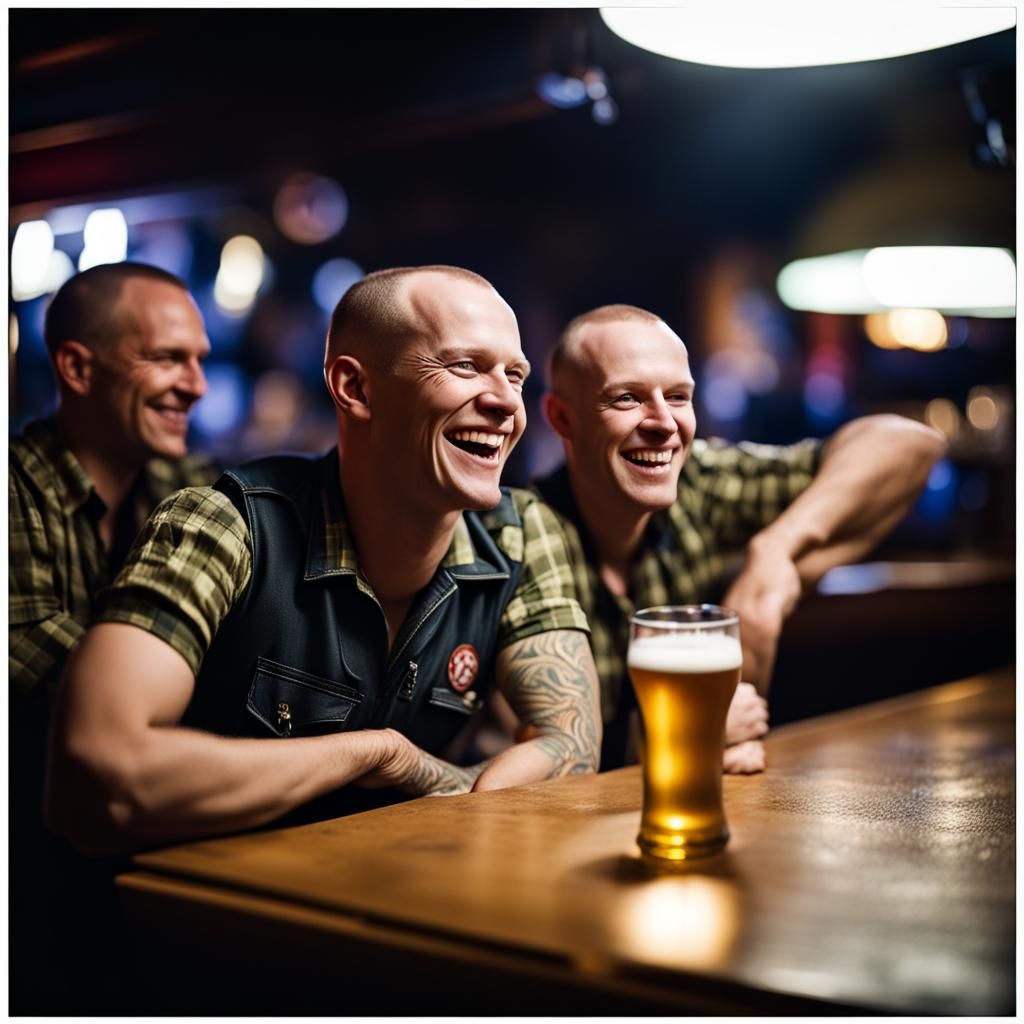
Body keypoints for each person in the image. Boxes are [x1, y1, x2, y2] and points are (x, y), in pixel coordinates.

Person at [45, 266, 601, 859]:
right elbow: (95, 773)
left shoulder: (520, 534)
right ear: (354, 389)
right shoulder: (223, 525)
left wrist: (427, 775)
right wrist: (372, 752)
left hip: (404, 916)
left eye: (515, 375)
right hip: (208, 923)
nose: (505, 403)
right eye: (465, 366)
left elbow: (572, 745)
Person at [532, 304, 946, 771]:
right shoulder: (528, 530)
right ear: (563, 420)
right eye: (627, 398)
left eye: (678, 397)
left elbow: (911, 444)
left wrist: (776, 549)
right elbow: (551, 761)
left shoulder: (701, 484)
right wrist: (691, 733)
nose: (664, 423)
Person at [9, 261, 216, 1014]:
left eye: (199, 360)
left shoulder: (188, 485)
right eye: (166, 358)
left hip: (153, 866)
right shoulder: (11, 490)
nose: (195, 386)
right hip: (30, 888)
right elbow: (49, 692)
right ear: (76, 367)